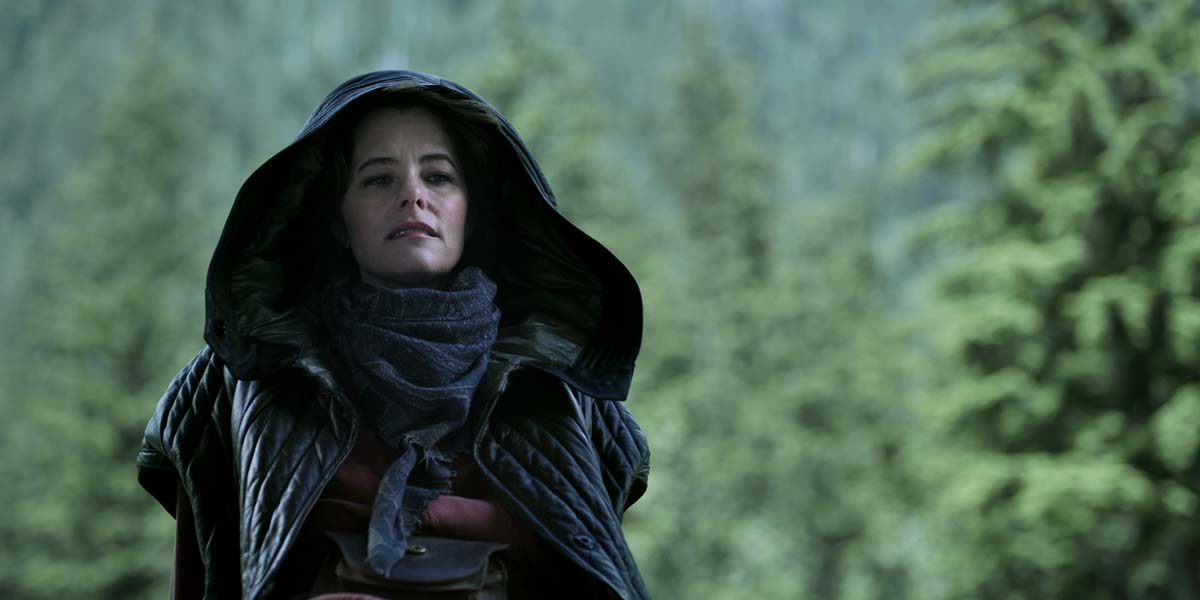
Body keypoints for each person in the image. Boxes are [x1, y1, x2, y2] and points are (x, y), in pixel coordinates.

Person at [137, 70, 651, 599]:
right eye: (379, 179)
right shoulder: (242, 375)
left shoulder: (560, 385)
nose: (413, 195)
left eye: (439, 176)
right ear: (337, 220)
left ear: (472, 214)